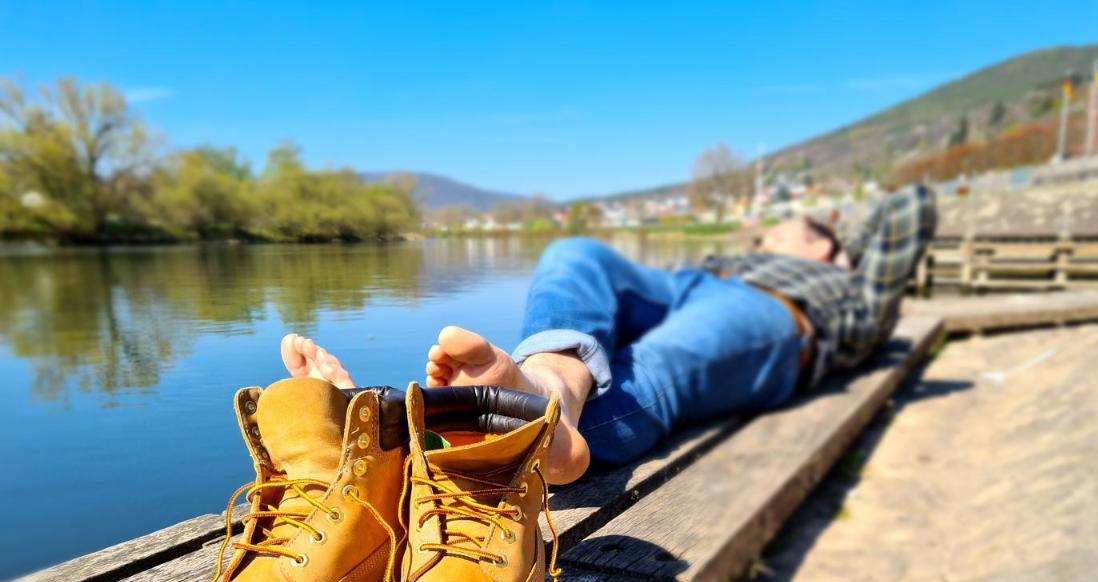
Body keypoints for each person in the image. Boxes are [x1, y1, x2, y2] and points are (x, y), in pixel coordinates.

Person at [281, 183, 936, 485]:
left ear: (821, 248)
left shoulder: (842, 290)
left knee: (660, 367)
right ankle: (546, 392)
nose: (770, 234)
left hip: (776, 315)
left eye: (787, 231)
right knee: (575, 256)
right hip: (691, 285)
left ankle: (404, 422)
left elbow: (915, 207)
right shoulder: (740, 255)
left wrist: (844, 259)